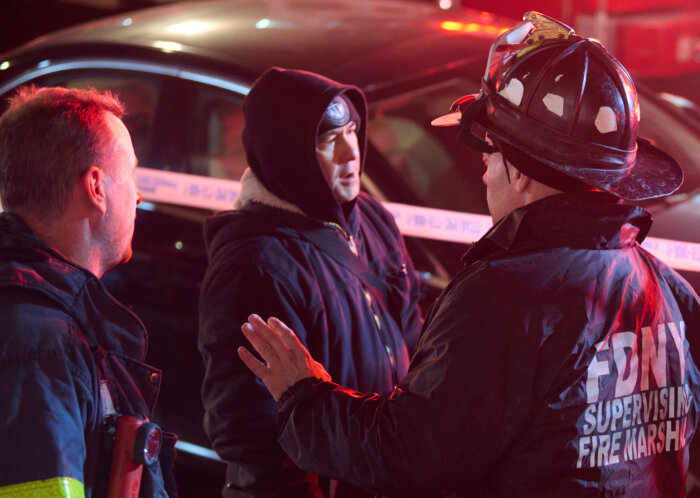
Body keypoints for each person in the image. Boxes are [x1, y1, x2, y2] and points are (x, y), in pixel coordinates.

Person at [237, 12, 700, 497]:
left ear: (519, 173)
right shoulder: (663, 288)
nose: (483, 177)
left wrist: (303, 396)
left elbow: (410, 455)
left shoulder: (506, 297)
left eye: (487, 159)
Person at [198, 67, 423, 497]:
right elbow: (254, 435)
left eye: (353, 131)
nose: (350, 153)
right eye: (327, 139)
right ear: (287, 151)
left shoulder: (372, 219)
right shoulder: (255, 266)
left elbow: (414, 339)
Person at [0, 86, 176, 497]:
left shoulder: (45, 324)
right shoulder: (38, 346)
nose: (137, 195)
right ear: (96, 188)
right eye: (131, 174)